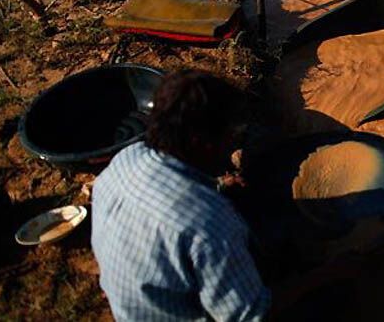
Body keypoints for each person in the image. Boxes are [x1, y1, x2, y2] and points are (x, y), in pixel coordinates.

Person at [91, 69, 271, 321]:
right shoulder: (210, 224)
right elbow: (251, 317)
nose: (234, 146)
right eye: (231, 135)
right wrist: (321, 276)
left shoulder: (125, 160)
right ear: (201, 142)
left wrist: (218, 186)